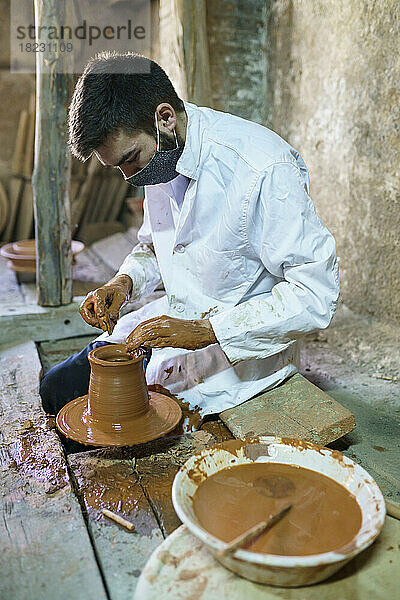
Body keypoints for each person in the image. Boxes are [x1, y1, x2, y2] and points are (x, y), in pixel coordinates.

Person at [40, 51, 339, 420]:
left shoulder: (262, 168)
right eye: (117, 166)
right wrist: (124, 282)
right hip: (168, 323)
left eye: (130, 159)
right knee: (55, 389)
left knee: (134, 425)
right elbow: (155, 244)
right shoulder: (162, 151)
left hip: (234, 350)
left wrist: (205, 332)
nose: (128, 176)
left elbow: (315, 295)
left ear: (164, 117)